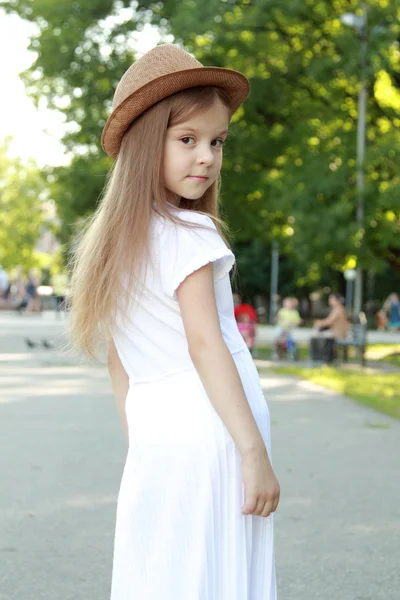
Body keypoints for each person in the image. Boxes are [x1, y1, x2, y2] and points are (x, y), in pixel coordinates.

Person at [69, 45, 279, 600]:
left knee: (163, 575)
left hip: (158, 437)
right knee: (215, 577)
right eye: (187, 140)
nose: (206, 157)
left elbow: (121, 362)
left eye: (216, 142)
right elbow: (207, 345)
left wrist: (143, 440)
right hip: (215, 434)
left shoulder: (116, 246)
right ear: (144, 144)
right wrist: (253, 453)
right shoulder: (191, 236)